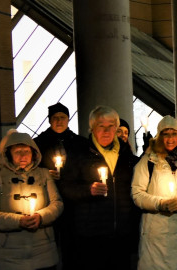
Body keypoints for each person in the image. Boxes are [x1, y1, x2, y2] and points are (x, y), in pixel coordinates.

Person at [58, 106, 141, 269]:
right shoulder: (80, 153)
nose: (106, 130)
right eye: (101, 126)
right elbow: (66, 187)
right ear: (92, 129)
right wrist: (88, 190)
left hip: (121, 234)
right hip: (91, 234)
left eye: (111, 126)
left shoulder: (126, 156)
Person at [0, 130, 63, 270]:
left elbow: (57, 203)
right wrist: (18, 221)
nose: (23, 155)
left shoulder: (44, 175)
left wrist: (40, 217)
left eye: (27, 151)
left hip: (42, 252)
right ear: (9, 154)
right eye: (18, 151)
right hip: (6, 255)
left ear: (34, 153)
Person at [131, 116, 177, 270]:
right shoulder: (148, 161)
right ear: (159, 136)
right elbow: (137, 194)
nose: (170, 139)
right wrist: (160, 203)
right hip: (156, 231)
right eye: (166, 134)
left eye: (174, 134)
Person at [34, 103, 92, 181]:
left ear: (68, 119)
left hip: (74, 188)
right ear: (50, 120)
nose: (59, 121)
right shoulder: (38, 143)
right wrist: (44, 174)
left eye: (62, 117)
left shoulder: (80, 142)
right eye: (55, 117)